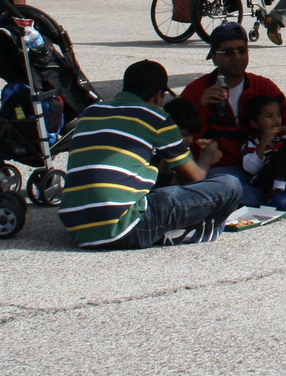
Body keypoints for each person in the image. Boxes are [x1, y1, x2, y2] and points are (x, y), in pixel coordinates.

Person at [58, 60, 243, 248]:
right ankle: (195, 230)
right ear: (159, 96)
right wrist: (208, 156)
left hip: (76, 228)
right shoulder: (155, 117)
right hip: (123, 228)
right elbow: (195, 178)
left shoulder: (91, 112)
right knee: (230, 185)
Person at [177, 22, 286, 209]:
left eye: (241, 50)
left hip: (275, 164)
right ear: (213, 57)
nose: (237, 57)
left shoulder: (263, 86)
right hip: (230, 169)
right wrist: (201, 107)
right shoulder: (197, 90)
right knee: (224, 185)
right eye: (228, 53)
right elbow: (179, 140)